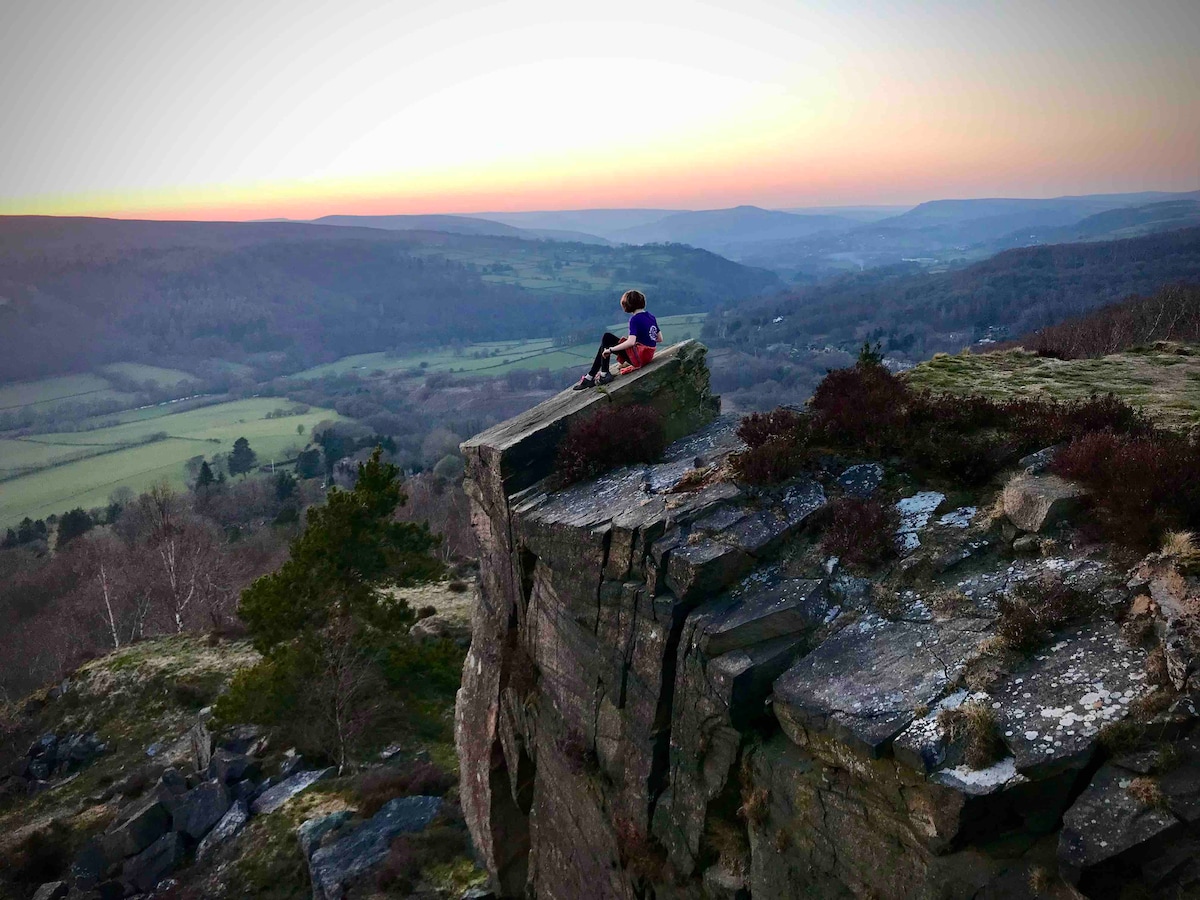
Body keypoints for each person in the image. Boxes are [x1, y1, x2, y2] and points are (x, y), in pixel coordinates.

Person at [572, 289, 662, 390]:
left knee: (607, 338)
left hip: (639, 357)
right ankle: (591, 376)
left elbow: (631, 342)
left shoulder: (634, 319)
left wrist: (611, 350)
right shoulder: (651, 316)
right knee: (605, 345)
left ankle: (602, 374)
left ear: (628, 305)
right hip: (647, 356)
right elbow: (659, 338)